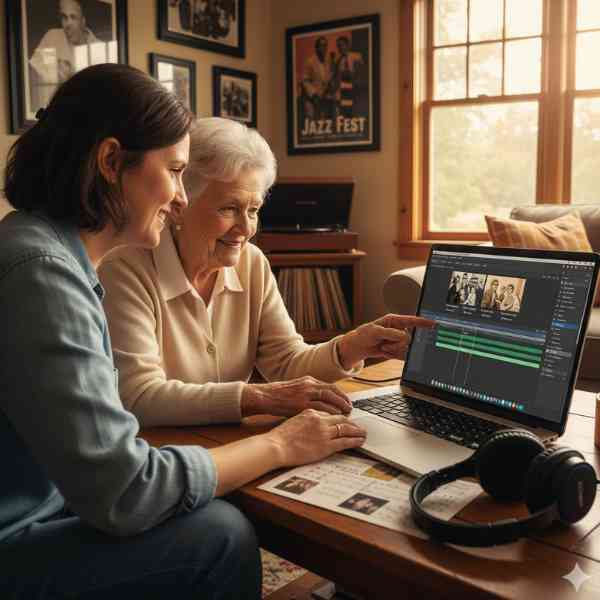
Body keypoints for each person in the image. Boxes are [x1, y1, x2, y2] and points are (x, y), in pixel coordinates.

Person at [0, 64, 368, 599]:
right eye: (174, 171)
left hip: (49, 502)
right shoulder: (42, 272)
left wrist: (347, 349)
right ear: (109, 161)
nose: (177, 197)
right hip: (16, 537)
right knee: (220, 535)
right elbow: (125, 491)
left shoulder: (40, 249)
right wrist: (279, 444)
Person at [98, 117, 435, 429]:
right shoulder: (125, 268)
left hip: (230, 444)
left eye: (254, 209)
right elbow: (138, 396)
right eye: (229, 208)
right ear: (180, 204)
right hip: (161, 455)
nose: (245, 228)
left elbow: (287, 362)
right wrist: (259, 396)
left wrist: (352, 346)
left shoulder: (252, 263)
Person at [29, 0, 98, 111]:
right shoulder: (51, 37)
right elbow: (32, 76)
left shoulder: (99, 50)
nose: (67, 24)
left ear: (83, 21)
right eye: (64, 17)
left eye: (73, 17)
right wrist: (54, 72)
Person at [301, 36, 336, 121]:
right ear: (316, 48)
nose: (324, 48)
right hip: (312, 100)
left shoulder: (328, 62)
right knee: (313, 124)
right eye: (321, 46)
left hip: (324, 100)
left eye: (325, 46)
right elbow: (305, 81)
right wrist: (314, 95)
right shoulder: (310, 62)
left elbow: (329, 79)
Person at [334, 35, 364, 118]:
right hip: (345, 90)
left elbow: (361, 72)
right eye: (338, 46)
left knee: (355, 112)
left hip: (355, 89)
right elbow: (337, 78)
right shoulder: (338, 61)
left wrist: (351, 75)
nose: (340, 48)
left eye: (342, 45)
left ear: (347, 45)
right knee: (346, 113)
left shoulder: (356, 56)